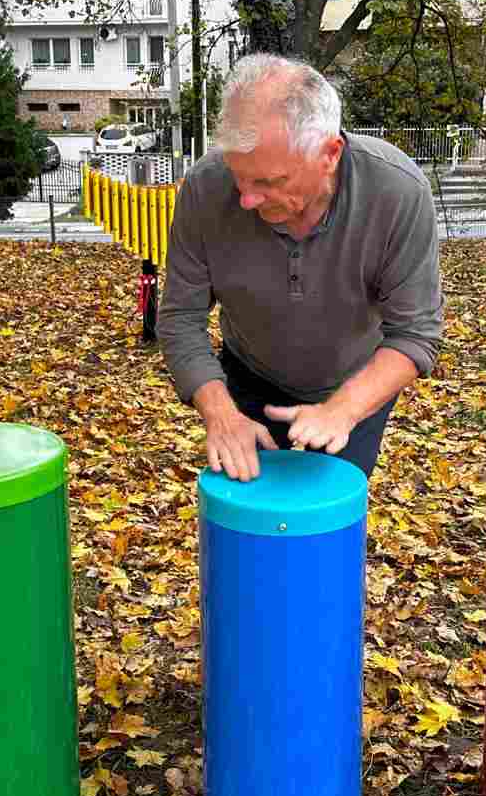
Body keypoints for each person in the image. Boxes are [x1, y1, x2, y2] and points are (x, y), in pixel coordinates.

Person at [157, 54, 444, 481]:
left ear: (329, 154)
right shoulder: (206, 187)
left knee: (327, 506)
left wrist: (344, 409)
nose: (247, 199)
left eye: (269, 182)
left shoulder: (397, 192)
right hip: (249, 374)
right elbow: (181, 316)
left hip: (356, 382)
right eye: (238, 177)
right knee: (246, 506)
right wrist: (219, 412)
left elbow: (416, 333)